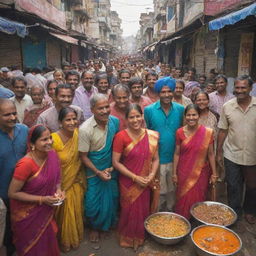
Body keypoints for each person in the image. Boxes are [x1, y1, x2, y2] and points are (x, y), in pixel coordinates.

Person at [8, 125, 65, 256]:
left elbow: (57, 178)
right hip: (27, 215)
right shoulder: (25, 164)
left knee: (48, 239)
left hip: (46, 210)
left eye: (50, 138)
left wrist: (59, 191)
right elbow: (12, 193)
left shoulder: (52, 155)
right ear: (32, 143)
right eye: (44, 140)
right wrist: (42, 199)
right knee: (33, 246)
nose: (50, 142)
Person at [112, 104, 159, 250]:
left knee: (143, 209)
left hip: (146, 180)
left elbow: (156, 159)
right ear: (126, 119)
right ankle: (127, 238)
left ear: (142, 117)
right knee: (128, 210)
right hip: (128, 181)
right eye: (131, 117)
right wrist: (135, 178)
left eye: (138, 116)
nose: (135, 120)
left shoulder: (151, 135)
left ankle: (139, 237)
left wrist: (151, 175)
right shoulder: (121, 137)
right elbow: (115, 162)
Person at [79, 94, 119, 243]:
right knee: (92, 203)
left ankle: (107, 225)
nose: (104, 111)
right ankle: (94, 227)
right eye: (100, 108)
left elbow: (116, 147)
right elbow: (83, 156)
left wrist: (111, 167)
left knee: (113, 198)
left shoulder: (114, 122)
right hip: (93, 173)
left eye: (106, 107)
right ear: (92, 110)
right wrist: (98, 172)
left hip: (110, 169)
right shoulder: (85, 129)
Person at [217, 75, 256, 223]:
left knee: (252, 185)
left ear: (250, 89)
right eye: (237, 88)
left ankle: (250, 210)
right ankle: (234, 212)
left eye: (243, 88)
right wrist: (219, 152)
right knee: (233, 185)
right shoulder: (228, 106)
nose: (239, 91)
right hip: (232, 153)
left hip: (252, 155)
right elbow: (223, 130)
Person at [144, 77, 184, 211]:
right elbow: (147, 134)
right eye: (163, 92)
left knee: (173, 189)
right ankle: (158, 216)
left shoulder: (180, 109)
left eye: (169, 91)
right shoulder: (149, 110)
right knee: (158, 190)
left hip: (175, 158)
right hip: (157, 159)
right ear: (158, 93)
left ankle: (171, 215)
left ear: (173, 92)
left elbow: (183, 132)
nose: (166, 95)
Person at [173, 104, 218, 219]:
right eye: (188, 115)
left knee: (199, 195)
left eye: (194, 115)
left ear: (199, 116)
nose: (191, 117)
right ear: (185, 116)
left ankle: (197, 219)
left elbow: (211, 154)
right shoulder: (179, 132)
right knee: (183, 195)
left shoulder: (208, 132)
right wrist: (174, 173)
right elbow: (177, 153)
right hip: (184, 171)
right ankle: (183, 219)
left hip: (201, 171)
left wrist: (214, 173)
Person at [52, 108, 85, 252]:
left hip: (76, 180)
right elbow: (49, 165)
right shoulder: (53, 139)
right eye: (68, 119)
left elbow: (81, 159)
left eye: (74, 119)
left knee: (75, 210)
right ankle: (63, 240)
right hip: (58, 184)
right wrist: (58, 186)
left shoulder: (79, 135)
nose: (72, 122)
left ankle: (73, 239)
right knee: (61, 213)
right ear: (60, 122)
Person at [0, 99, 28, 256]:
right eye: (6, 115)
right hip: (3, 195)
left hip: (26, 191)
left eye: (14, 113)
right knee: (8, 231)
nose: (12, 117)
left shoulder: (24, 130)